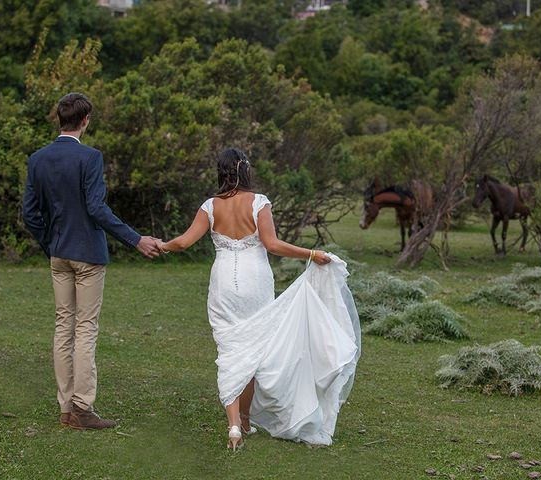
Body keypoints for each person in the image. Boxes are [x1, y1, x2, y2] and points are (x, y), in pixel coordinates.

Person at [159, 148, 360, 450]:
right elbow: (272, 244)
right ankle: (245, 420)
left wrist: (160, 245)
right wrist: (312, 253)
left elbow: (184, 241)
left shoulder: (210, 206)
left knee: (230, 349)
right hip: (256, 282)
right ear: (244, 170)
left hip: (223, 281)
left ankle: (236, 426)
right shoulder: (259, 202)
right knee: (253, 348)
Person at [22, 92, 161, 430]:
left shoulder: (38, 159)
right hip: (87, 256)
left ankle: (66, 410)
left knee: (62, 329)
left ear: (59, 119)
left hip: (59, 254)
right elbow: (96, 208)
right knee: (84, 329)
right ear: (85, 121)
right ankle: (83, 408)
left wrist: (51, 243)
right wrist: (136, 239)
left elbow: (30, 214)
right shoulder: (91, 157)